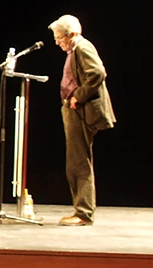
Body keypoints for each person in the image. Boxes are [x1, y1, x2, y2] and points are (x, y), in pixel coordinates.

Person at [48, 15, 115, 226]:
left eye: (59, 38)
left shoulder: (83, 47)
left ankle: (84, 213)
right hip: (74, 110)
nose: (57, 42)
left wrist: (78, 96)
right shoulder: (75, 49)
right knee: (75, 162)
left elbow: (97, 73)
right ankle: (81, 210)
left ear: (71, 34)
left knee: (79, 162)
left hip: (82, 111)